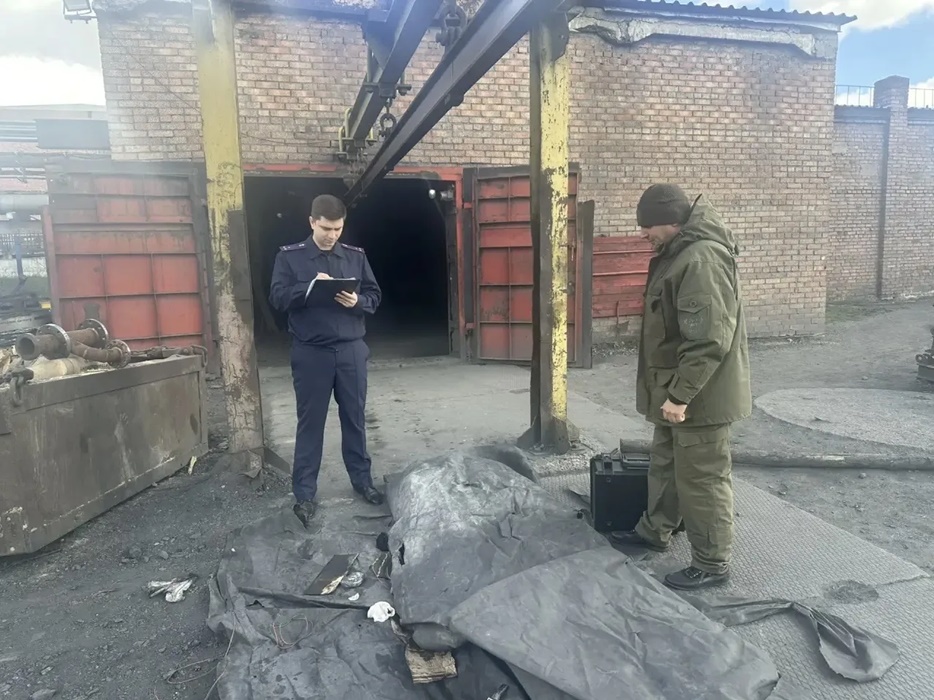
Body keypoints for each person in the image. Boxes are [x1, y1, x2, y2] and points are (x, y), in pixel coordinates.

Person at [611, 184, 751, 591]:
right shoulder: (679, 253)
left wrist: (680, 396)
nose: (643, 234)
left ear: (670, 221)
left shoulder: (701, 258)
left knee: (702, 478)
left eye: (647, 226)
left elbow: (707, 340)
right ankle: (654, 531)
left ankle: (711, 563)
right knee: (667, 465)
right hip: (677, 393)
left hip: (698, 399)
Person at [269, 193, 384, 527]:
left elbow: (374, 295)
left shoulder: (355, 256)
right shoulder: (290, 257)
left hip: (351, 350)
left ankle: (363, 481)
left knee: (355, 419)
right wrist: (307, 289)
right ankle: (304, 494)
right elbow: (277, 296)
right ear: (312, 222)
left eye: (337, 228)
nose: (332, 235)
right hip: (311, 352)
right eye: (326, 229)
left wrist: (358, 301)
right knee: (311, 424)